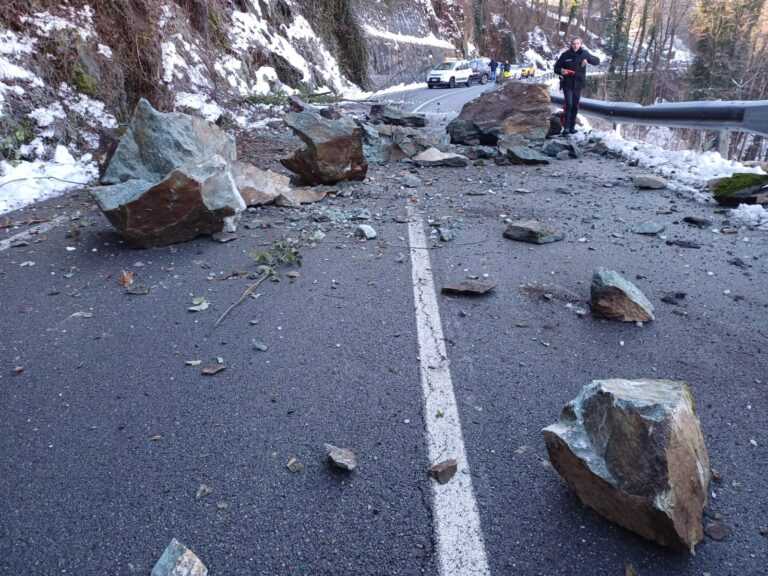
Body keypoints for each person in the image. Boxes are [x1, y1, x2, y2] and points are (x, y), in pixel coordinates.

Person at [554, 37, 600, 135]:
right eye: (574, 44)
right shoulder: (565, 55)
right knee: (569, 104)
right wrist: (561, 71)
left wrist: (588, 59)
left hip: (578, 84)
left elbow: (597, 61)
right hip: (567, 84)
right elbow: (556, 68)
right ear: (571, 45)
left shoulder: (584, 54)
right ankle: (566, 128)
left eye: (577, 43)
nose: (575, 46)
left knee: (575, 105)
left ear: (580, 44)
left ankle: (572, 127)